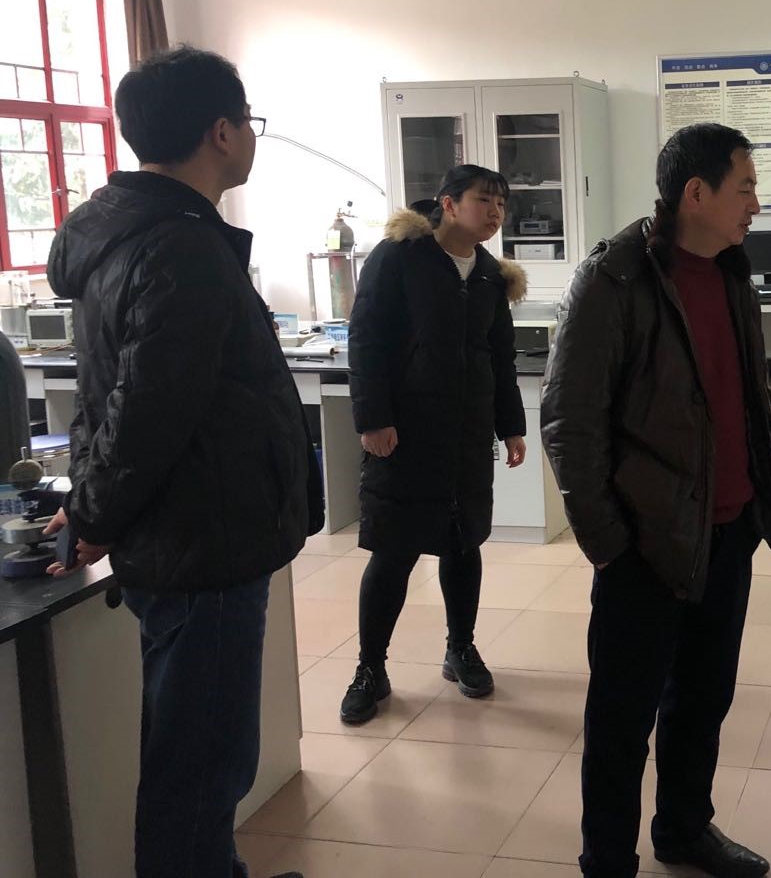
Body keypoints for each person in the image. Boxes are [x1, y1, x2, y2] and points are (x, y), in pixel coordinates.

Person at [44, 45, 321, 878]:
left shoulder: (129, 234)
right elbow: (146, 409)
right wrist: (93, 512)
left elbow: (113, 395)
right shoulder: (181, 247)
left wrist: (93, 505)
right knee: (201, 763)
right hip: (205, 538)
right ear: (222, 132)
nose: (251, 138)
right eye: (249, 122)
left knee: (195, 750)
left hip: (190, 532)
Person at [541, 122, 771, 878]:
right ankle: (608, 860)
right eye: (745, 187)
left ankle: (684, 829)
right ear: (696, 193)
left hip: (728, 531)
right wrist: (609, 545)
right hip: (645, 544)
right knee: (622, 718)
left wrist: (756, 505)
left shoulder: (732, 272)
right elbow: (569, 421)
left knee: (703, 700)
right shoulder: (614, 280)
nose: (756, 204)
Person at [339, 164, 527, 724]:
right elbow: (366, 339)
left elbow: (500, 358)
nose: (495, 213)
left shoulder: (491, 275)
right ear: (448, 203)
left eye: (501, 203)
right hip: (405, 434)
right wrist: (373, 418)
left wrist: (510, 425)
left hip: (466, 436)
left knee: (463, 545)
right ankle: (370, 668)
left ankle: (460, 648)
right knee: (393, 551)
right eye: (484, 200)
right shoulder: (399, 258)